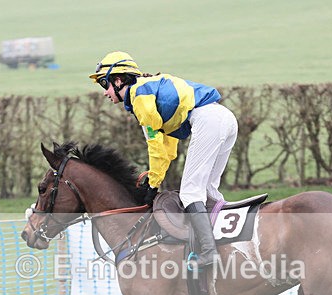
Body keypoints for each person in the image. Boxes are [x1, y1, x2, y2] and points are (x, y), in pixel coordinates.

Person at [89, 51, 238, 267]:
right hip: (225, 118)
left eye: (105, 84)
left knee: (190, 193)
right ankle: (227, 244)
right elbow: (168, 147)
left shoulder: (140, 96)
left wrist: (154, 182)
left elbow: (156, 146)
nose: (105, 92)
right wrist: (154, 178)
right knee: (208, 192)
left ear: (119, 79)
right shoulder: (148, 90)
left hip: (209, 121)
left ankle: (208, 252)